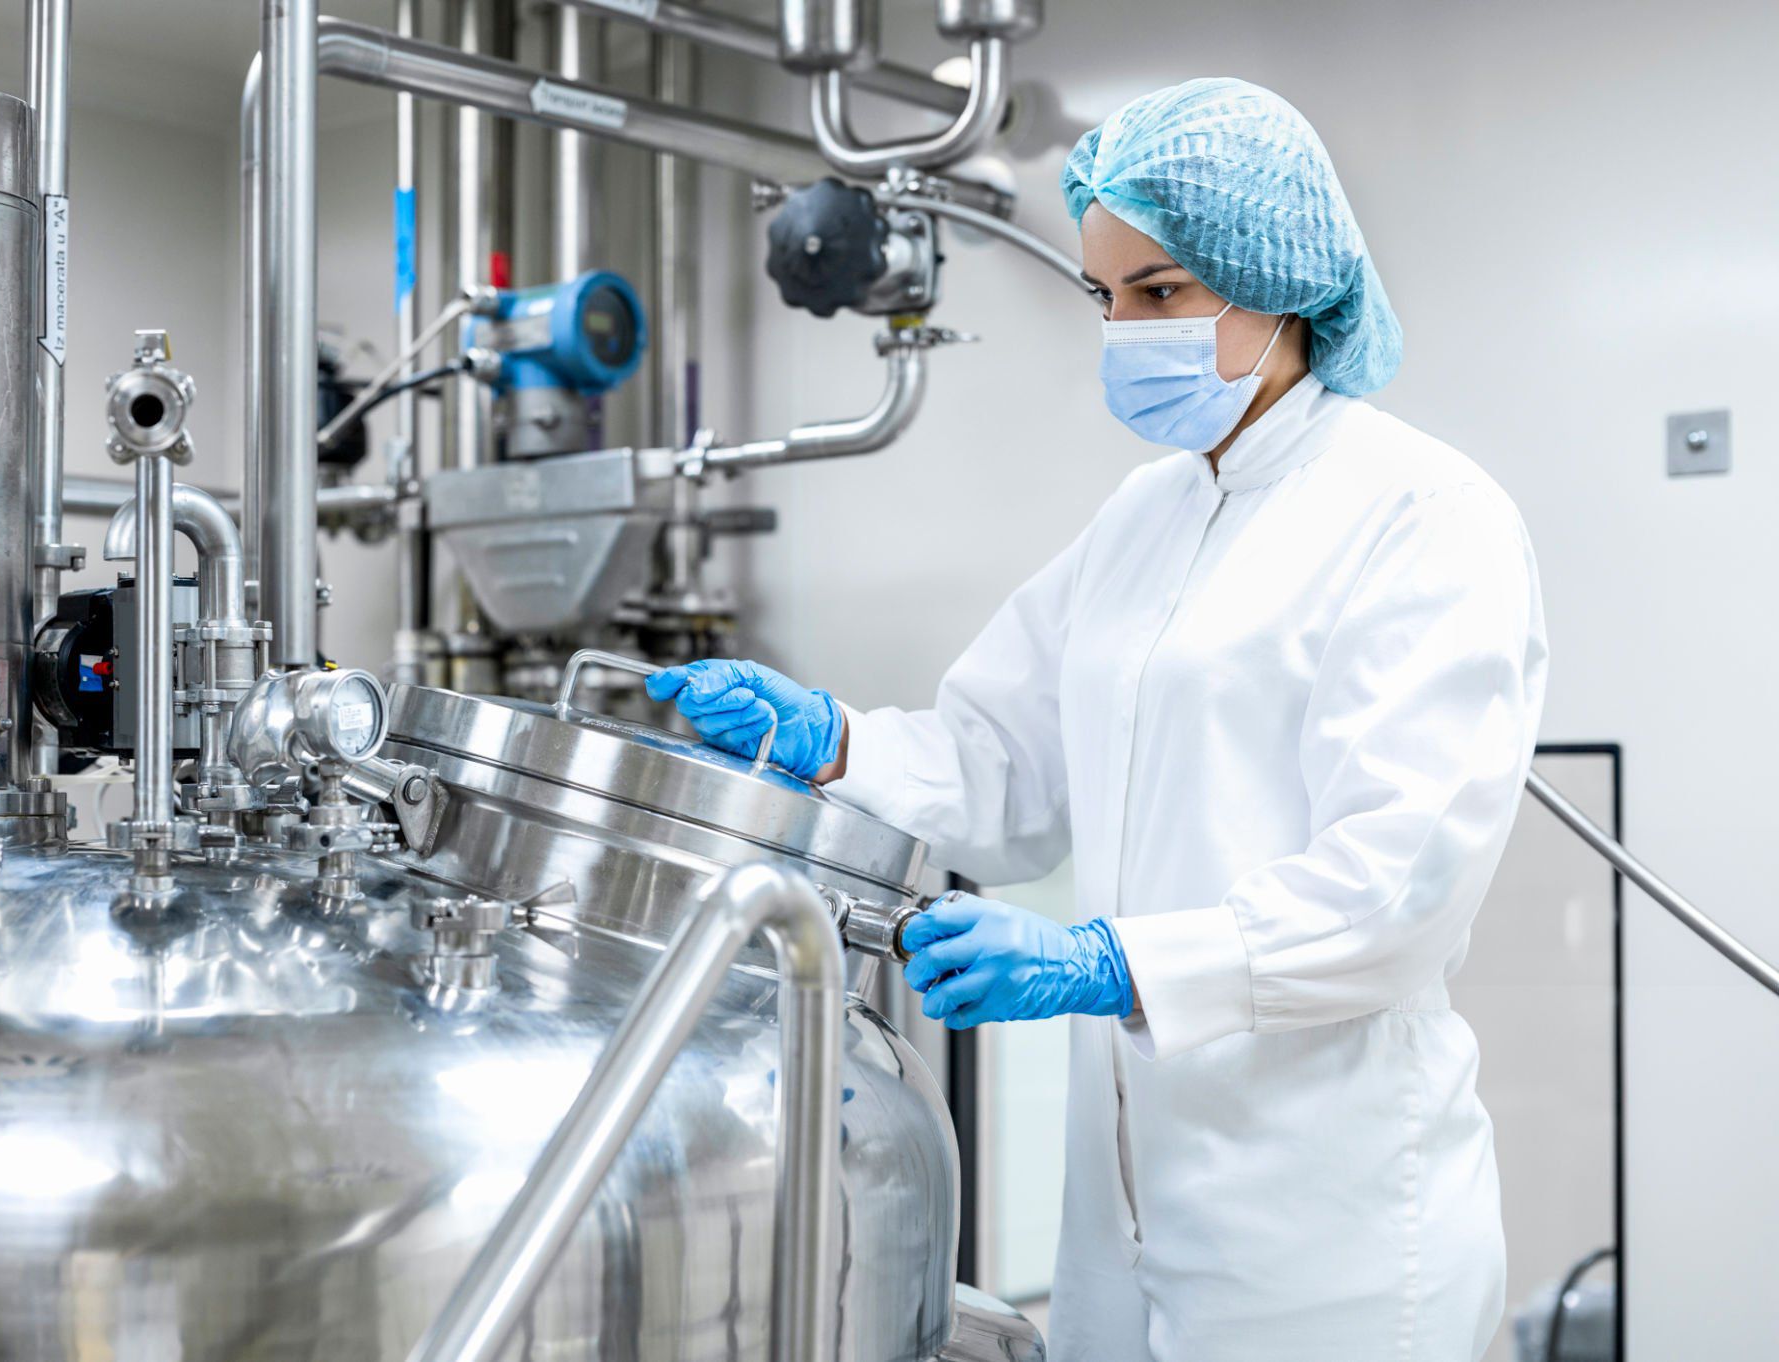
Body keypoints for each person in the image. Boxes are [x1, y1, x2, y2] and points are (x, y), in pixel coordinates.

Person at [649, 78, 1548, 1362]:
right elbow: (1002, 768)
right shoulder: (1143, 517)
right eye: (1104, 296)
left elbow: (1391, 892)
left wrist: (1106, 964)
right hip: (1121, 1204)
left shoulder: (1420, 515)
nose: (1123, 330)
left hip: (1326, 1223)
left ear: (1276, 279)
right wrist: (831, 740)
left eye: (1159, 291)